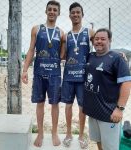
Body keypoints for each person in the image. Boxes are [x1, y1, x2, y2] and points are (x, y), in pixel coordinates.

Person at [21, 0, 64, 147]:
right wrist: (25, 69)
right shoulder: (36, 29)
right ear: (46, 11)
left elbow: (64, 54)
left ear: (58, 13)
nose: (52, 12)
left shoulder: (61, 33)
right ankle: (40, 133)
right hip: (39, 73)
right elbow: (31, 50)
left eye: (55, 10)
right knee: (40, 103)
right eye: (50, 9)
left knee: (55, 104)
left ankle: (54, 132)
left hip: (55, 74)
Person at [83, 28, 131, 150]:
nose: (99, 41)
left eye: (103, 39)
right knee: (99, 143)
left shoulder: (117, 59)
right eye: (96, 39)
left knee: (110, 147)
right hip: (93, 112)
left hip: (109, 114)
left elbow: (126, 83)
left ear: (110, 40)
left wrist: (120, 109)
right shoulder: (90, 56)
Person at [60, 2, 94, 149]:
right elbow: (62, 55)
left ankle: (80, 135)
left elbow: (101, 47)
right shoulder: (66, 36)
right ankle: (68, 133)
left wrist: (116, 53)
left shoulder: (90, 32)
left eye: (78, 12)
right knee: (68, 106)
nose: (75, 14)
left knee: (82, 108)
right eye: (72, 12)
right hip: (68, 77)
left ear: (82, 14)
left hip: (83, 77)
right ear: (69, 16)